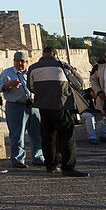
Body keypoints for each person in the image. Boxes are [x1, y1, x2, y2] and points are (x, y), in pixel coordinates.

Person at [27, 47, 88, 177]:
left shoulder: (33, 68)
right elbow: (79, 84)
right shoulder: (63, 66)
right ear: (55, 54)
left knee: (48, 137)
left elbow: (31, 87)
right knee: (67, 137)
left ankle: (51, 165)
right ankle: (68, 167)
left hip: (43, 107)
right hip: (62, 105)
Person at [0, 51, 45, 168]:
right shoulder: (7, 73)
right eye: (17, 61)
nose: (20, 64)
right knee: (17, 134)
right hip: (16, 106)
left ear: (27, 63)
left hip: (33, 106)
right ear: (14, 62)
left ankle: (38, 158)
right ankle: (17, 159)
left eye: (22, 61)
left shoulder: (32, 73)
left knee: (37, 134)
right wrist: (9, 85)